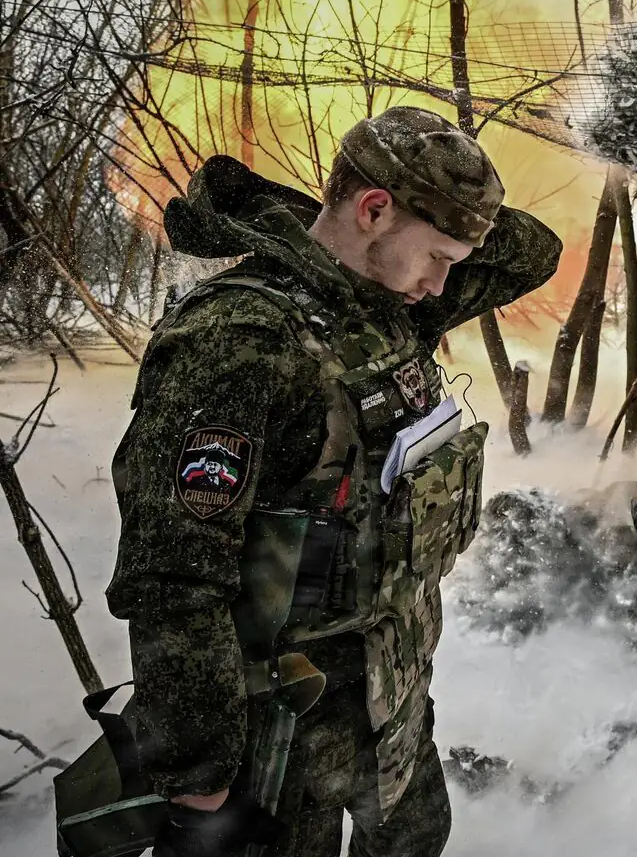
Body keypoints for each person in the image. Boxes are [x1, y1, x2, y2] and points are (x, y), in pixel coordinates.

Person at [104, 106, 560, 857]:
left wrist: (439, 201)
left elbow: (534, 253)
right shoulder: (241, 338)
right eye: (436, 255)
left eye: (452, 261)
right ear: (373, 210)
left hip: (390, 703)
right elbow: (173, 574)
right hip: (278, 741)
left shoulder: (388, 308)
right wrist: (199, 786)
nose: (441, 283)